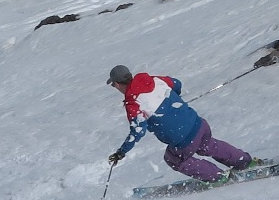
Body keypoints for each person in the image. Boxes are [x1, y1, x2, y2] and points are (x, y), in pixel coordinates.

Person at [108, 66, 257, 180]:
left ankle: (218, 177)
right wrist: (174, 102)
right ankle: (244, 162)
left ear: (117, 84)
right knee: (208, 144)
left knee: (174, 159)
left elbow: (138, 131)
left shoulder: (133, 103)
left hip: (183, 140)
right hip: (198, 124)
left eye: (113, 85)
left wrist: (121, 152)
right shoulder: (153, 80)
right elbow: (176, 83)